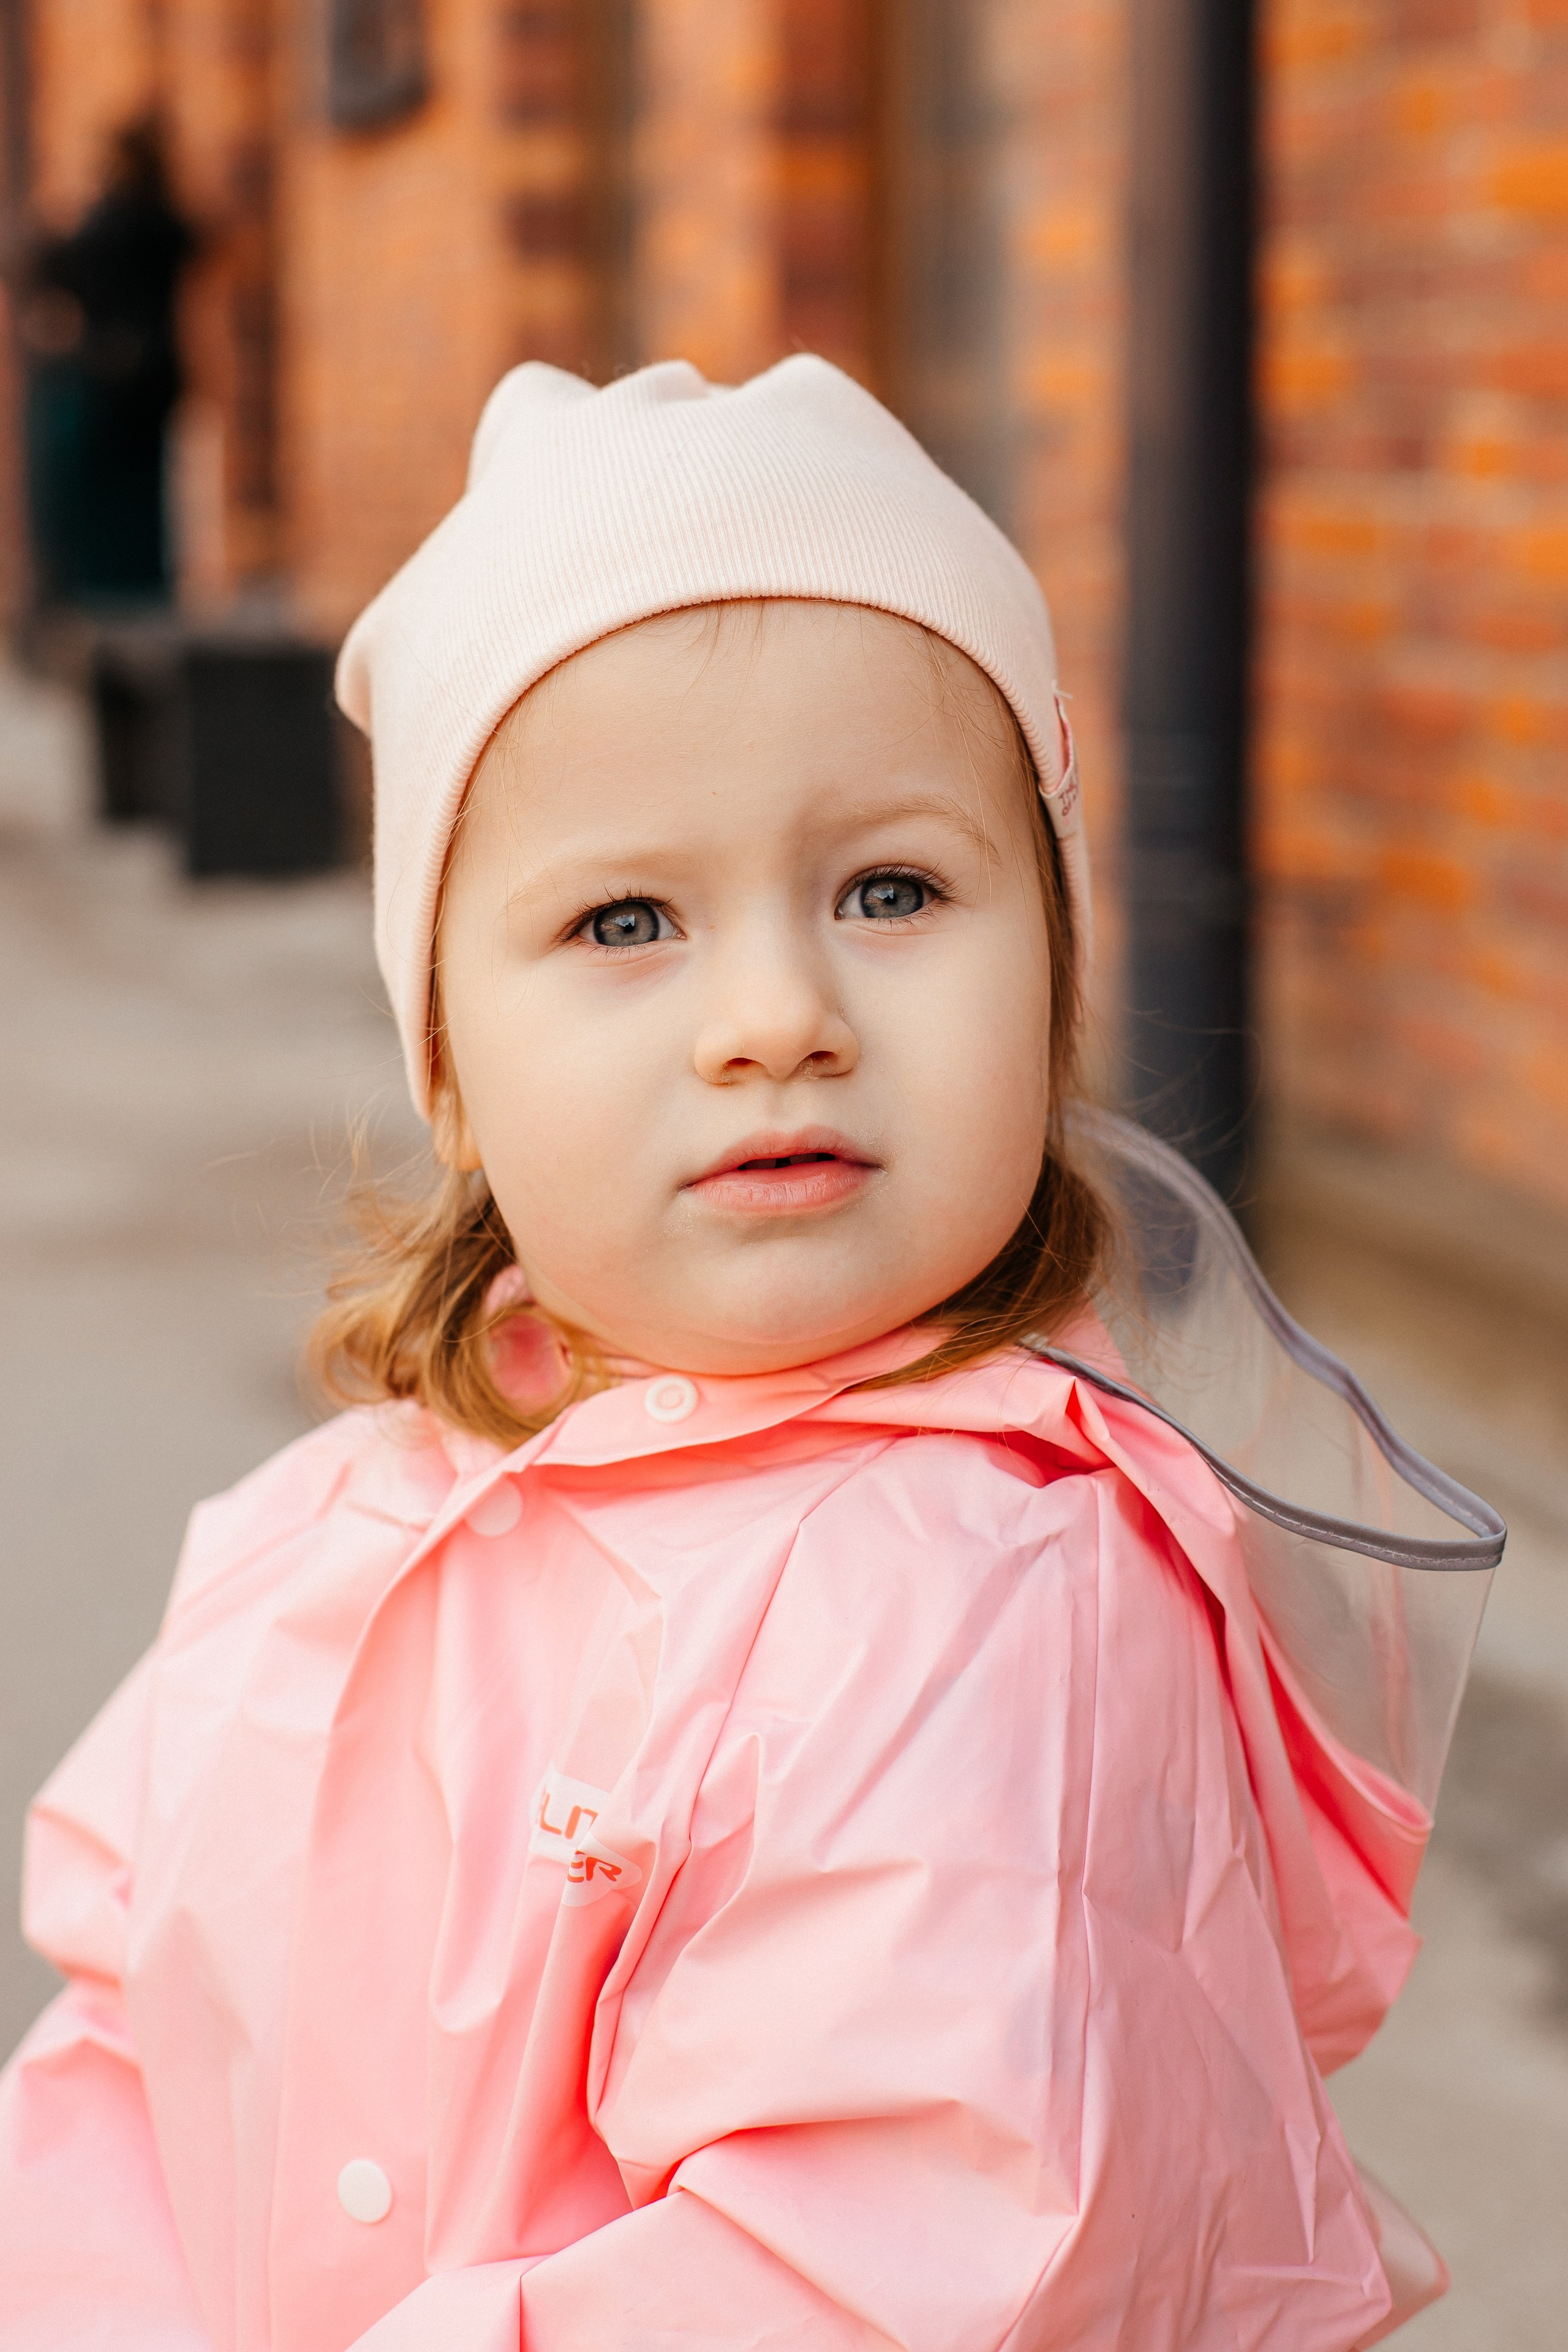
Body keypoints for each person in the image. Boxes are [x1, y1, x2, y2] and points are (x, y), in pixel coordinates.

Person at [0, 357, 1466, 2348]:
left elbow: (894, 2262)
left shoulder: (981, 1605)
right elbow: (128, 2047)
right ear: (449, 1068)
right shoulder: (339, 1529)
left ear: (1053, 975)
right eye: (625, 922)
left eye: (893, 889)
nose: (776, 1012)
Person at [21, 118, 195, 606]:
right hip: (155, 373)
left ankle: (107, 600)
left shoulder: (108, 224)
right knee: (144, 500)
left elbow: (49, 265)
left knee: (102, 506)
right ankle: (145, 593)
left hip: (108, 375)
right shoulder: (164, 222)